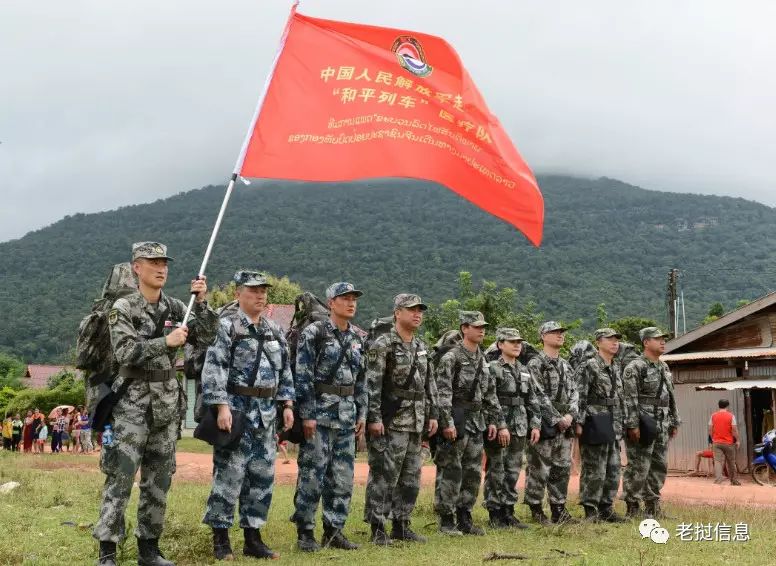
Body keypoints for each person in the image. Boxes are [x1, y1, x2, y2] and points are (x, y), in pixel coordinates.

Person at [93, 242, 217, 566]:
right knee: (120, 478)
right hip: (130, 407)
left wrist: (202, 303)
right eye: (153, 262)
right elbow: (125, 352)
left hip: (165, 406)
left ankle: (149, 550)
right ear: (137, 267)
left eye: (164, 263)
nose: (161, 268)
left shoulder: (177, 308)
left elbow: (207, 337)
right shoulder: (123, 307)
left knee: (159, 481)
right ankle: (107, 552)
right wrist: (166, 341)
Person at [201, 271, 295, 560]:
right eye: (253, 290)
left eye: (263, 290)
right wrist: (221, 407)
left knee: (261, 478)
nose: (260, 295)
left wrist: (287, 404)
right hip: (237, 413)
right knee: (229, 476)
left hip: (266, 417)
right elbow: (214, 367)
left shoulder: (274, 330)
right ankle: (221, 539)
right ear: (238, 293)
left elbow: (284, 370)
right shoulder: (227, 327)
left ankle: (253, 539)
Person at [291, 282, 367, 553]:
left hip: (346, 418)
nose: (351, 303)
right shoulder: (315, 332)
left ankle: (334, 531)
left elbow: (362, 380)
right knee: (312, 476)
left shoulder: (357, 338)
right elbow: (303, 375)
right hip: (320, 418)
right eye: (345, 298)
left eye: (354, 299)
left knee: (342, 479)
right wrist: (307, 414)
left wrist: (362, 412)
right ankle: (305, 532)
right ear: (331, 303)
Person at [363, 294, 439, 545]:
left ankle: (402, 524)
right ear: (397, 313)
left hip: (416, 421)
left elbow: (429, 384)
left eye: (420, 310)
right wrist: (374, 418)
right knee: (384, 476)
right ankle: (377, 527)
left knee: (411, 478)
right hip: (391, 421)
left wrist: (433, 414)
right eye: (411, 309)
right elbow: (372, 385)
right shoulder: (383, 344)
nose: (417, 314)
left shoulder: (421, 346)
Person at [434, 311, 503, 536]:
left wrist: (494, 421)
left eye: (483, 327)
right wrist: (447, 422)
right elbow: (442, 393)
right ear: (464, 328)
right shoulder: (451, 358)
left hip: (477, 421)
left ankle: (464, 516)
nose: (481, 330)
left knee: (473, 472)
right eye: (476, 327)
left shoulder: (483, 359)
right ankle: (446, 519)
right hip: (457, 418)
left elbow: (490, 393)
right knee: (451, 469)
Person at [483, 328, 541, 529]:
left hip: (520, 425)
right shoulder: (492, 368)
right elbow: (489, 398)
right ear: (500, 344)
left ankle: (508, 511)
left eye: (519, 342)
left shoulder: (523, 369)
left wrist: (535, 424)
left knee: (514, 469)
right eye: (512, 342)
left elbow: (532, 399)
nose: (517, 345)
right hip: (501, 425)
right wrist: (500, 425)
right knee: (496, 469)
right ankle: (495, 512)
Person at [524, 321, 580, 525]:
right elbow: (537, 394)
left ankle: (559, 509)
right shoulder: (535, 363)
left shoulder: (566, 365)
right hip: (545, 423)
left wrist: (570, 415)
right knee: (539, 468)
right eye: (554, 332)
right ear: (543, 336)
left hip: (565, 425)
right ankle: (536, 509)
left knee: (562, 468)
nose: (560, 335)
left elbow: (575, 392)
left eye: (561, 332)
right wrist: (557, 419)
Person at [622, 327, 681, 519]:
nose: (663, 342)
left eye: (664, 339)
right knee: (639, 465)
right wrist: (633, 425)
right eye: (658, 339)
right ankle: (632, 507)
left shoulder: (664, 367)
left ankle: (652, 506)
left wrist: (674, 420)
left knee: (659, 465)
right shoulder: (635, 367)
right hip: (643, 422)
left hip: (662, 423)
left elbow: (670, 396)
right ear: (646, 342)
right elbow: (629, 399)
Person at [574, 328, 627, 523]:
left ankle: (606, 508)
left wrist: (624, 421)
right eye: (610, 339)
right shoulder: (589, 366)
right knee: (594, 468)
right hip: (594, 421)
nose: (615, 342)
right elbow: (579, 395)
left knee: (613, 468)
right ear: (598, 342)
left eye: (616, 339)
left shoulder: (615, 366)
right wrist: (578, 422)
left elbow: (620, 398)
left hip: (613, 423)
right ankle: (590, 509)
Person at [709, 399, 740, 485]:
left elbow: (710, 429)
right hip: (729, 443)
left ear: (719, 405)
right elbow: (734, 429)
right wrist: (737, 440)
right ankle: (734, 481)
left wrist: (713, 438)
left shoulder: (713, 416)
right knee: (731, 462)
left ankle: (718, 480)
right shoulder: (731, 416)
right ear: (727, 406)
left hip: (716, 442)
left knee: (718, 461)